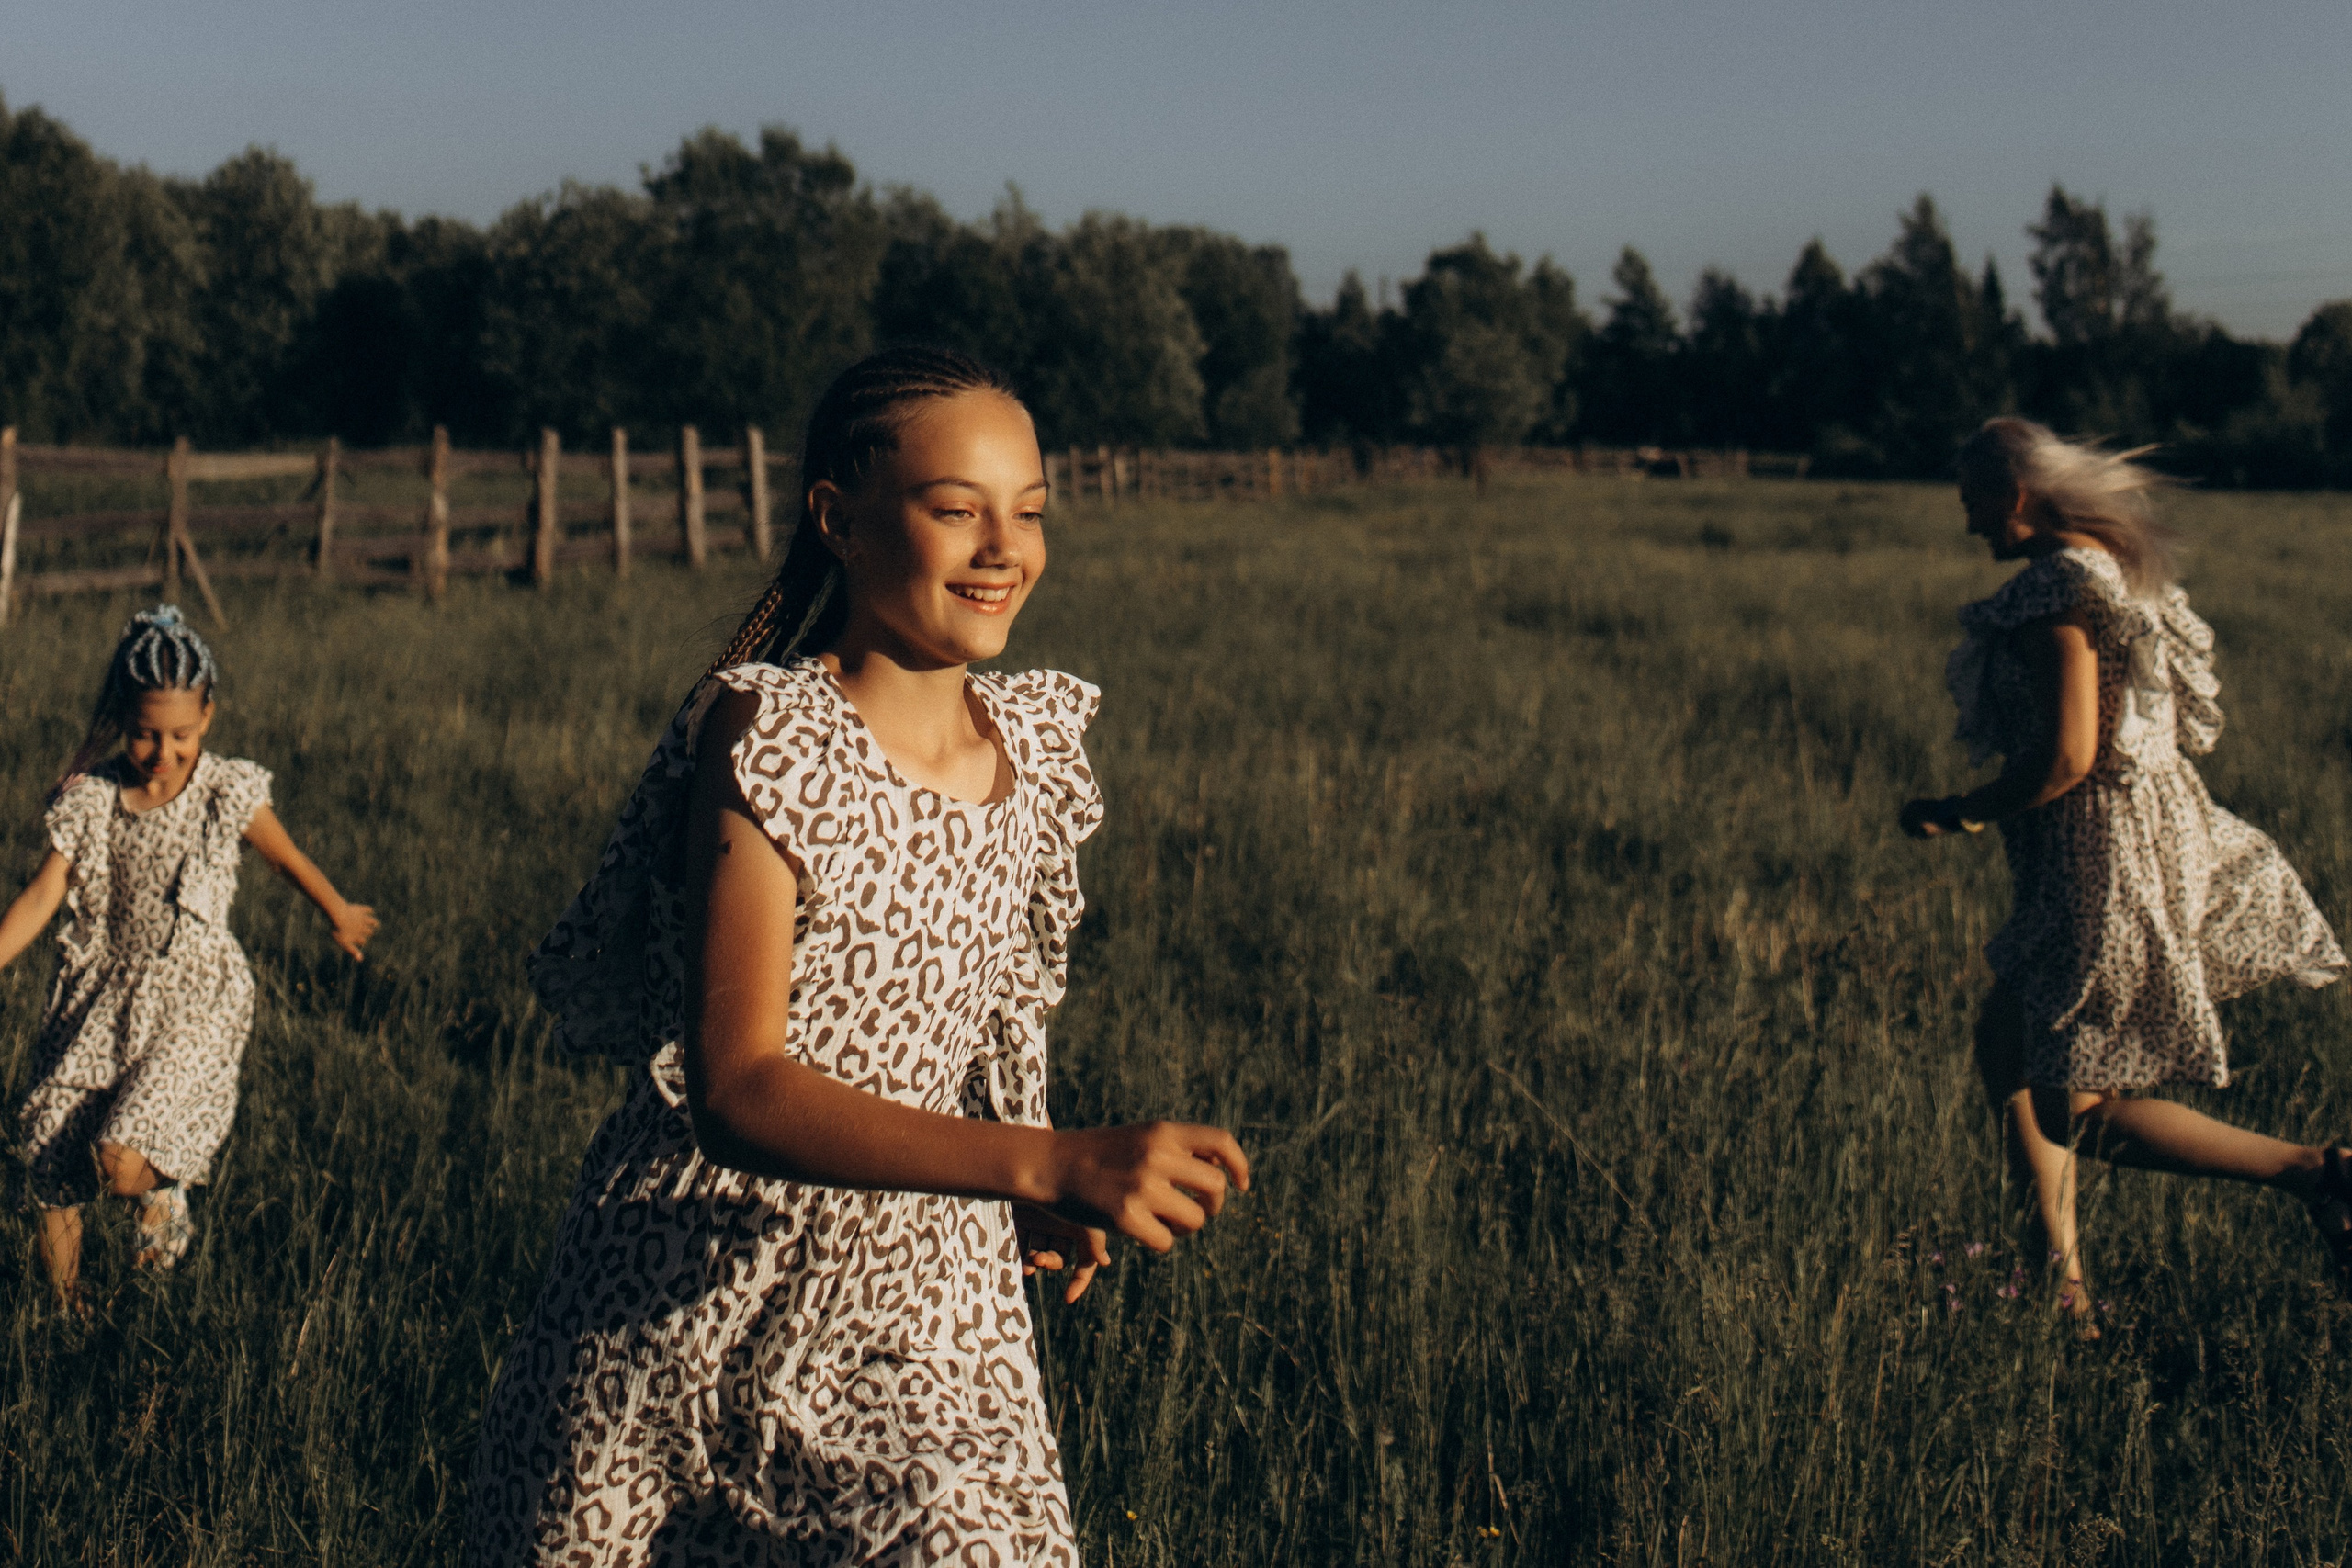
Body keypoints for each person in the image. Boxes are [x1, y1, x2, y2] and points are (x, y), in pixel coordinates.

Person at [466, 346, 1250, 1566]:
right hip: (688, 1292)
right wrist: (1043, 1161)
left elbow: (994, 1024)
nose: (1004, 548)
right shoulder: (774, 735)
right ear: (838, 518)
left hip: (927, 1298)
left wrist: (1027, 1177)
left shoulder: (1033, 752)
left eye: (1030, 512)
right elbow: (738, 1088)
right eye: (957, 510)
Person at [1903, 417, 2350, 1323]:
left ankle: (2320, 1175)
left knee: (2072, 1106)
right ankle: (2059, 1290)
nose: (1969, 523)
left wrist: (1963, 809)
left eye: (1974, 501)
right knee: (2007, 1053)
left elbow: (2070, 754)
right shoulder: (2111, 571)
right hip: (2133, 840)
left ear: (2016, 495)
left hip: (2097, 861)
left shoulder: (2057, 590)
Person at [2, 604, 378, 1303]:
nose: (163, 753)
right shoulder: (94, 799)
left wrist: (337, 910)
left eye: (181, 735)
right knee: (51, 1139)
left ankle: (165, 1187)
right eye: (146, 734)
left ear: (207, 716)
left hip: (193, 998)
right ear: (123, 717)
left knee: (120, 1162)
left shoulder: (220, 791)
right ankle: (66, 1306)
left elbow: (284, 856)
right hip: (103, 996)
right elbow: (42, 894)